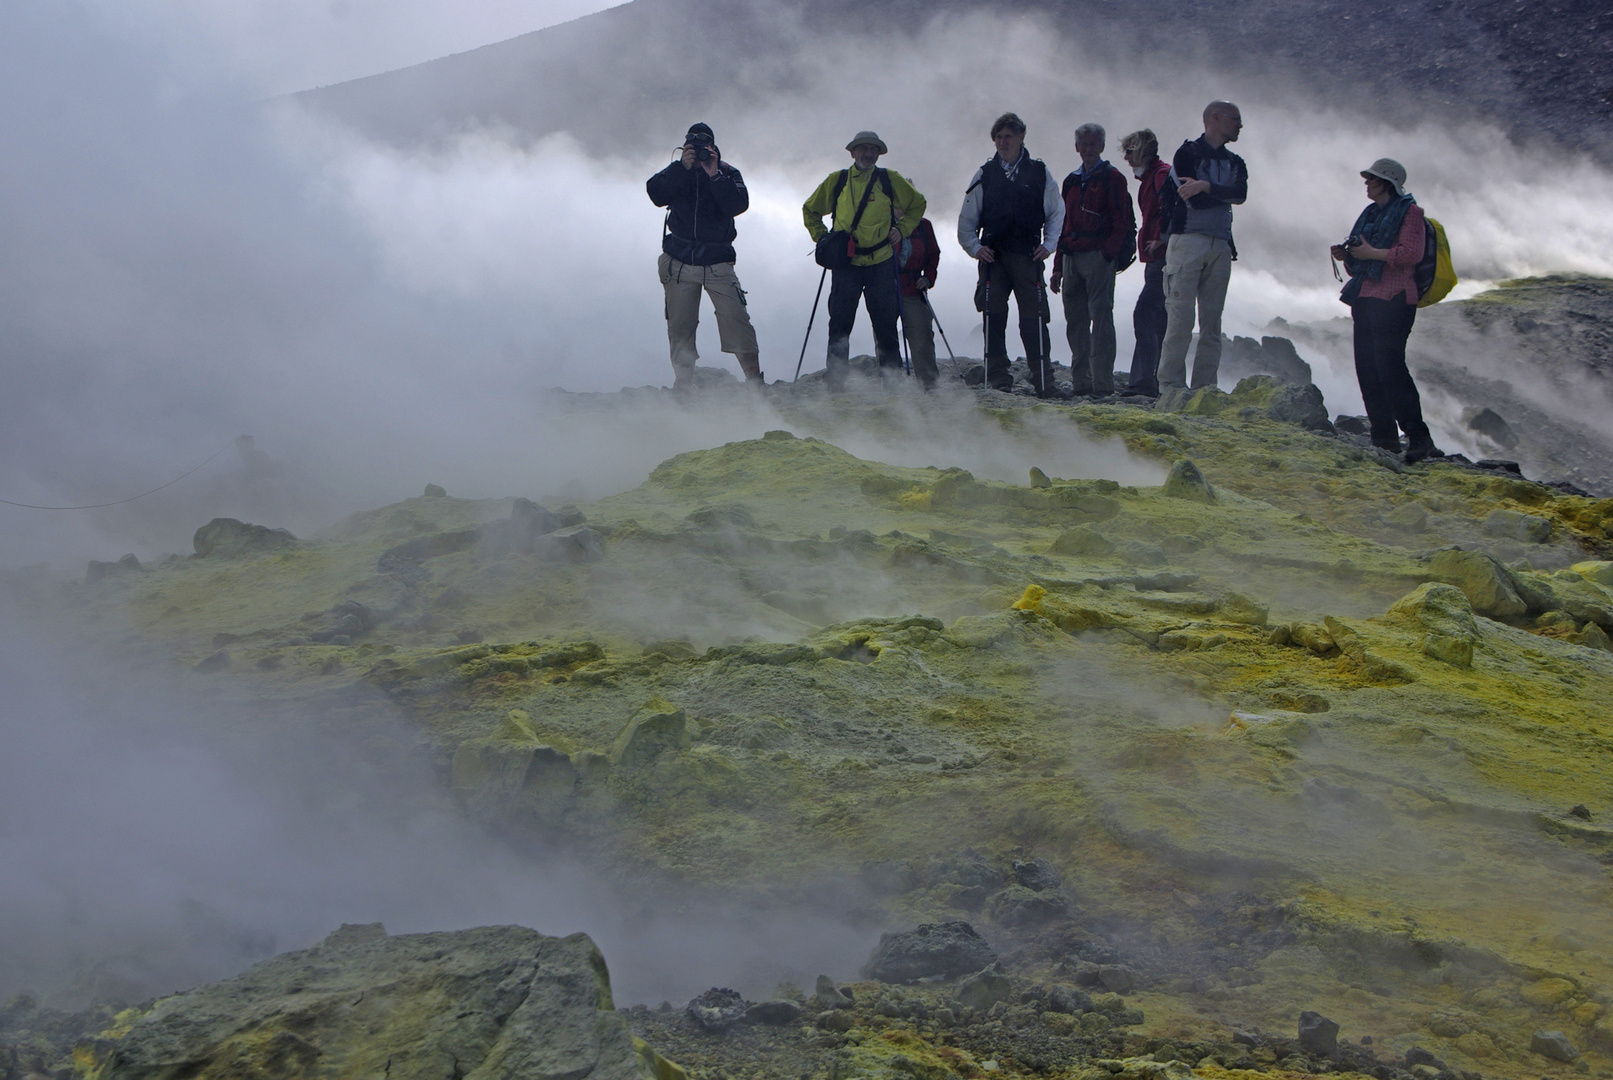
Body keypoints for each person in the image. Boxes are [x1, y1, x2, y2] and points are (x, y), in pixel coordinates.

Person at [1332, 158, 1440, 462]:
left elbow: (1411, 253)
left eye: (1372, 179)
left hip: (1394, 298)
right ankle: (1384, 437)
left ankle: (1418, 437)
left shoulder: (1410, 212)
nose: (1367, 183)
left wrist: (1371, 253)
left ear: (1387, 182)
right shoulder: (1370, 214)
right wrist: (1347, 256)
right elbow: (1359, 263)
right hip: (1366, 296)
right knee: (1368, 368)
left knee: (1391, 369)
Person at [802, 131, 927, 389]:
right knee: (840, 324)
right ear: (852, 152)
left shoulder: (889, 180)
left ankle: (890, 386)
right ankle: (837, 384)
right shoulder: (837, 181)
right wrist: (823, 239)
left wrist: (901, 230)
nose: (867, 154)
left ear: (878, 154)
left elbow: (918, 204)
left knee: (885, 326)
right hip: (847, 263)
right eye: (862, 149)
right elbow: (810, 209)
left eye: (873, 149)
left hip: (879, 261)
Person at [645, 123, 762, 392]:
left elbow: (738, 205)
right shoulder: (677, 171)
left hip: (718, 262)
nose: (698, 152)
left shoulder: (726, 172)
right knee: (680, 326)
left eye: (703, 147)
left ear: (713, 147)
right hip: (679, 262)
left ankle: (755, 383)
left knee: (737, 320)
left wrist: (714, 175)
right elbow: (656, 194)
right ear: (684, 147)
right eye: (692, 147)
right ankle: (683, 385)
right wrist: (680, 168)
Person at [957, 113, 1065, 396]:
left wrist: (1049, 244)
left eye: (1008, 136)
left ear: (1021, 138)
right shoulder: (984, 174)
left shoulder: (1040, 173)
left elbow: (1056, 212)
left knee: (1035, 317)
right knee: (993, 316)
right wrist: (976, 248)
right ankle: (998, 381)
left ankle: (1044, 381)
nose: (1003, 142)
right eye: (999, 137)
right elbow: (967, 220)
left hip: (1028, 256)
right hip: (994, 258)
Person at [1157, 101, 1247, 394]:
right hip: (1187, 241)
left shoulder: (1236, 161)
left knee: (1211, 325)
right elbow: (1191, 199)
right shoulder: (1187, 153)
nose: (1239, 125)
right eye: (1236, 119)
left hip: (1219, 244)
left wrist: (1206, 186)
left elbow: (1241, 194)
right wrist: (1218, 194)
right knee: (1180, 321)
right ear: (1216, 118)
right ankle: (1171, 387)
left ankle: (1204, 387)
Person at [1050, 123, 1133, 398]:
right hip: (1072, 256)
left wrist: (1107, 254)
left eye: (1093, 144)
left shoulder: (1113, 178)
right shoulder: (1071, 181)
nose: (1087, 149)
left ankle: (1102, 383)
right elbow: (1062, 224)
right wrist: (1058, 266)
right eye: (1083, 144)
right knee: (1075, 322)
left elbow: (1123, 222)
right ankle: (1081, 382)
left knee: (1101, 320)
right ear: (1077, 147)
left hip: (1098, 257)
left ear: (1102, 146)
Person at [1120, 128, 1172, 398]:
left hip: (1161, 259)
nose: (1126, 157)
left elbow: (1171, 210)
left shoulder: (1160, 176)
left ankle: (1143, 383)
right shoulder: (1154, 177)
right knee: (1159, 319)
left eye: (1130, 151)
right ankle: (1157, 380)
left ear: (1142, 151)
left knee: (1145, 315)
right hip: (1158, 257)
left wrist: (1162, 240)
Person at [896, 217, 942, 390]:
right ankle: (890, 386)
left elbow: (932, 255)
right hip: (886, 290)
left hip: (913, 288)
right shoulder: (880, 220)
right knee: (886, 339)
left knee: (922, 336)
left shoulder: (923, 225)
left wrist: (928, 278)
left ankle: (929, 386)